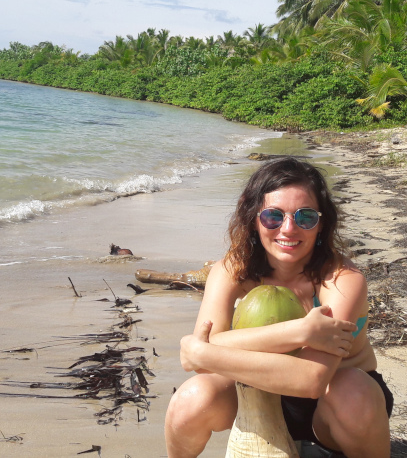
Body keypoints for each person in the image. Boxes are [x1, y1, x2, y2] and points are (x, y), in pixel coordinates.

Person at [164, 157, 392, 458]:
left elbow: (311, 379)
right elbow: (204, 364)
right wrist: (300, 331)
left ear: (321, 224)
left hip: (328, 409)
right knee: (191, 398)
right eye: (273, 216)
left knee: (353, 390)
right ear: (254, 218)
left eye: (305, 217)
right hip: (255, 399)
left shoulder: (341, 280)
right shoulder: (233, 269)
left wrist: (205, 350)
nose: (288, 229)